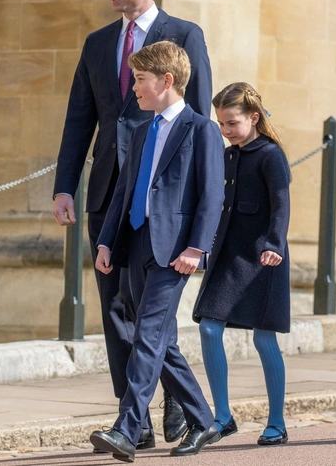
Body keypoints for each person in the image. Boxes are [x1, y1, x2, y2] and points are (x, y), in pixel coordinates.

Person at [52, 0, 213, 447]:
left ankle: (159, 415)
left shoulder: (185, 36)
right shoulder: (98, 43)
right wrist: (65, 184)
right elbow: (80, 118)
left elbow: (199, 121)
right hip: (111, 199)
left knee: (150, 320)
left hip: (166, 213)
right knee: (117, 313)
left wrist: (196, 233)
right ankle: (140, 422)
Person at [89, 41, 224, 462]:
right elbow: (124, 192)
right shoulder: (142, 130)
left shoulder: (202, 130)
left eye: (140, 80)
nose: (133, 89)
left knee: (147, 335)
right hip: (136, 242)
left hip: (174, 251)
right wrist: (107, 240)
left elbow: (211, 196)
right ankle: (204, 419)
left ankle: (127, 430)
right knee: (160, 342)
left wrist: (197, 247)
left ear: (167, 81)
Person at [193, 83, 291, 446]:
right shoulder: (227, 154)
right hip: (227, 254)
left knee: (264, 339)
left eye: (232, 122)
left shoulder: (271, 155)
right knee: (208, 328)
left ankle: (277, 423)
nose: (226, 130)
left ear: (253, 117)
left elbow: (281, 204)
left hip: (264, 256)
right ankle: (222, 416)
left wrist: (275, 244)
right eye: (221, 123)